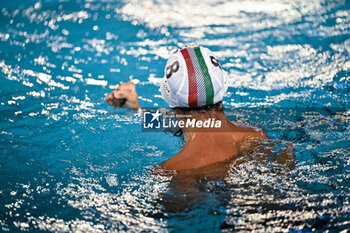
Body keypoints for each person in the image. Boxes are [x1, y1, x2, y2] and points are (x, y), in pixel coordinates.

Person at [105, 46, 295, 171]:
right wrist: (137, 110)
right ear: (223, 86)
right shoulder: (257, 134)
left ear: (168, 98)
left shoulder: (173, 170)